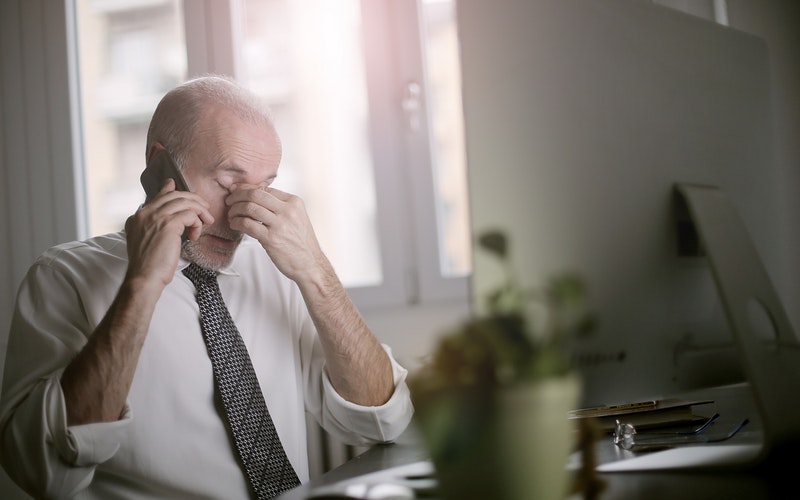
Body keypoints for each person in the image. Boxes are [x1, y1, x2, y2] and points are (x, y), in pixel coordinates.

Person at [0, 76, 414, 499]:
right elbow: (42, 471)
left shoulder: (276, 268)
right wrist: (142, 285)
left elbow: (382, 419)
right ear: (158, 163)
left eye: (263, 187)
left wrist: (316, 271)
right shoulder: (62, 277)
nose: (242, 214)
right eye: (225, 183)